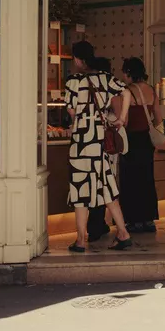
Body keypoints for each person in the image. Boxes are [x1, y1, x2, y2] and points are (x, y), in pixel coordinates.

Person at [64, 41, 132, 252]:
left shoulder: (73, 82)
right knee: (107, 188)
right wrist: (120, 119)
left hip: (81, 143)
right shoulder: (105, 78)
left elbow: (72, 111)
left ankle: (81, 239)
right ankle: (123, 233)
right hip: (99, 142)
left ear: (77, 59)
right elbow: (126, 93)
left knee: (79, 189)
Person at [118, 57, 162, 233]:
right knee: (146, 179)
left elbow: (125, 120)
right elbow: (158, 118)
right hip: (145, 140)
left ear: (129, 73)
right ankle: (148, 219)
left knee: (130, 180)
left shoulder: (127, 91)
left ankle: (133, 220)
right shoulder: (151, 90)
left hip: (131, 140)